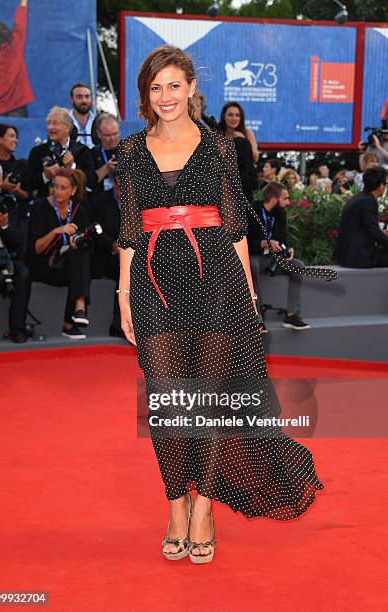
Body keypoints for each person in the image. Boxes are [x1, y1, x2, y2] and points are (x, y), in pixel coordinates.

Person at [116, 45, 337, 565]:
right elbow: (128, 230)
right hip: (154, 280)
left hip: (217, 277)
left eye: (174, 85)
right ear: (146, 96)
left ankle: (203, 509)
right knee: (168, 405)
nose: (166, 96)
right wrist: (125, 296)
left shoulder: (219, 148)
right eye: (156, 88)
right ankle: (175, 504)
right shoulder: (129, 151)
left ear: (192, 88)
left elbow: (236, 227)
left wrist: (250, 300)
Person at [27, 168, 91, 339]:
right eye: (56, 187)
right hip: (44, 264)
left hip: (66, 263)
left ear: (73, 191)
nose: (58, 192)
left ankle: (77, 311)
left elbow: (84, 241)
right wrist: (56, 231)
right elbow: (36, 249)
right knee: (78, 268)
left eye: (64, 188)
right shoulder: (40, 207)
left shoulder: (79, 210)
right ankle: (75, 314)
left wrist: (75, 242)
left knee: (80, 256)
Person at [0, 159, 30, 345]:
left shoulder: (9, 204)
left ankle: (17, 329)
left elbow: (17, 243)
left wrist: (4, 225)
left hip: (4, 258)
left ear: (1, 182)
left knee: (23, 273)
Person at [248, 182, 310, 330]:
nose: (288, 202)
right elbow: (242, 241)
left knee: (298, 265)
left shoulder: (280, 214)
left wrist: (287, 249)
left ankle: (291, 315)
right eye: (285, 198)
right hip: (253, 257)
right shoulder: (251, 210)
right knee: (253, 265)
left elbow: (282, 239)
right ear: (274, 199)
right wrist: (263, 243)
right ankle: (255, 317)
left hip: (273, 259)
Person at [26, 106, 95, 200]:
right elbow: (27, 184)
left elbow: (90, 182)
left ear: (68, 127)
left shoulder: (83, 151)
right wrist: (45, 176)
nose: (50, 127)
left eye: (55, 123)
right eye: (48, 123)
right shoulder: (37, 152)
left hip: (74, 206)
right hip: (45, 207)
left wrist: (71, 167)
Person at [0, 0, 34, 117]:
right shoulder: (15, 47)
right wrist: (23, 2)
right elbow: (19, 25)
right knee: (16, 135)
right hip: (19, 106)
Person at [333, 166, 388, 267]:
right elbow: (374, 233)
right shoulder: (369, 201)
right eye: (386, 184)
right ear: (381, 186)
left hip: (346, 255)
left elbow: (364, 228)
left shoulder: (359, 197)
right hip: (358, 257)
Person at [91, 168, 123, 337]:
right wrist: (112, 245)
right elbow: (96, 230)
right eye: (119, 186)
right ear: (113, 184)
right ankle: (118, 324)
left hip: (133, 255)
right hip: (106, 256)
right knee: (125, 270)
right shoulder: (99, 202)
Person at [217, 101, 259, 195]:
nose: (234, 118)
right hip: (223, 183)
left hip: (245, 183)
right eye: (230, 115)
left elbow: (255, 158)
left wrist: (243, 141)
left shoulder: (247, 132)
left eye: (237, 115)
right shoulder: (217, 134)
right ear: (224, 116)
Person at [0, 123, 28, 205]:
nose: (16, 140)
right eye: (12, 136)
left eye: (16, 137)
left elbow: (29, 196)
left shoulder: (22, 165)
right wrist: (1, 187)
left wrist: (17, 190)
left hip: (17, 214)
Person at [85, 113, 121, 195]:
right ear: (98, 134)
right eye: (108, 135)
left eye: (115, 134)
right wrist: (106, 168)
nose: (112, 138)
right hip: (99, 200)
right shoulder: (91, 154)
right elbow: (89, 183)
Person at [69, 82, 99, 149]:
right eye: (79, 97)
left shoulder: (99, 122)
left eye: (87, 96)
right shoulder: (63, 122)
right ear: (71, 99)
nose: (84, 101)